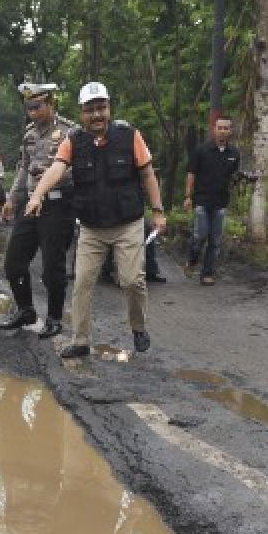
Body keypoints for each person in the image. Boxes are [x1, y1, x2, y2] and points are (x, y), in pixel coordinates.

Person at [25, 82, 166, 359]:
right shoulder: (74, 141)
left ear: (109, 109)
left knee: (131, 281)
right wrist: (36, 196)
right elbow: (56, 168)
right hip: (91, 227)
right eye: (90, 110)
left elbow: (148, 174)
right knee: (83, 283)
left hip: (127, 224)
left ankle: (138, 327)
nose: (96, 115)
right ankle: (80, 340)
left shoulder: (129, 136)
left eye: (101, 108)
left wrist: (158, 211)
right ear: (81, 113)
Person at [0, 82, 78, 339]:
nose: (32, 111)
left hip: (57, 204)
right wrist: (11, 199)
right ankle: (26, 310)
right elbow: (23, 168)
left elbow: (81, 168)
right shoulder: (29, 134)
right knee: (13, 262)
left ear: (51, 103)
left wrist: (56, 174)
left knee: (53, 266)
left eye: (37, 105)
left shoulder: (69, 131)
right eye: (28, 106)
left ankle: (54, 318)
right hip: (30, 203)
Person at [184, 115, 242, 286]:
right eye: (220, 127)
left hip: (221, 202)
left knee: (215, 240)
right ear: (214, 129)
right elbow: (191, 173)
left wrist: (241, 179)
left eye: (226, 128)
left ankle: (207, 273)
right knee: (200, 235)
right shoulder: (201, 150)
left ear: (230, 131)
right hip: (202, 200)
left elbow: (233, 177)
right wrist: (188, 196)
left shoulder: (234, 153)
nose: (223, 131)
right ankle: (192, 260)